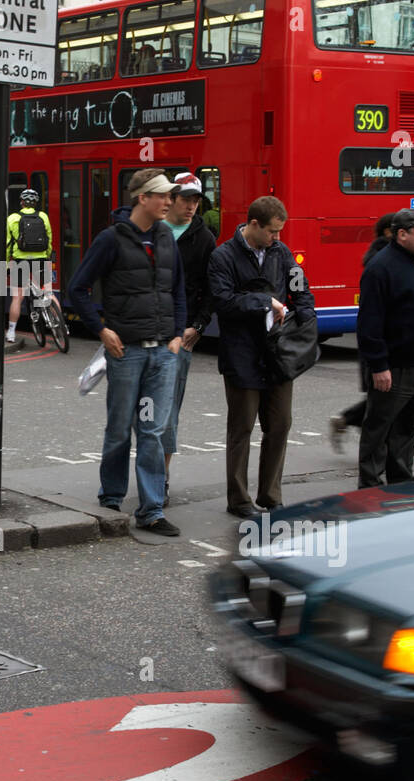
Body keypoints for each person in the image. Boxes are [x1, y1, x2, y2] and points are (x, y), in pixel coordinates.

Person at [68, 169, 186, 538]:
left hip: (163, 355)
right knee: (119, 430)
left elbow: (179, 290)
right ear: (142, 198)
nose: (169, 202)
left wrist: (178, 336)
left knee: (152, 432)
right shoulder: (111, 240)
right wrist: (102, 331)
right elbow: (78, 288)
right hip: (127, 354)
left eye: (170, 196)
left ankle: (151, 510)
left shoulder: (167, 237)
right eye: (163, 196)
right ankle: (111, 499)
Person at [207, 195, 315, 520]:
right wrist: (266, 301)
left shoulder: (280, 254)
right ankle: (239, 500)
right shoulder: (223, 256)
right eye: (272, 231)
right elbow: (224, 302)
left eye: (280, 231)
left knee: (280, 424)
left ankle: (270, 496)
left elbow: (301, 289)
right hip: (241, 353)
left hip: (277, 353)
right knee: (241, 428)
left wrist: (305, 319)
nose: (278, 238)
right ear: (253, 225)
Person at [356, 208, 414, 489]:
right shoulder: (381, 268)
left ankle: (401, 484)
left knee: (407, 429)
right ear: (402, 234)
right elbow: (370, 323)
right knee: (379, 430)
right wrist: (379, 365)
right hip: (393, 367)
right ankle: (370, 488)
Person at [161, 173, 217, 502]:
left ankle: (161, 477)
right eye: (186, 199)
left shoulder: (204, 238)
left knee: (168, 411)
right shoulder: (152, 230)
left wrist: (199, 324)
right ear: (171, 198)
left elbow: (211, 289)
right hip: (145, 332)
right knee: (137, 410)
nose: (192, 206)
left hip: (181, 334)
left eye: (197, 200)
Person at [330, 212, 395, 450]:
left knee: (383, 400)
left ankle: (348, 421)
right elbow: (373, 315)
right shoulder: (381, 262)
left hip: (387, 346)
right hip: (383, 345)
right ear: (389, 232)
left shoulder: (389, 257)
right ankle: (372, 452)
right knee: (382, 401)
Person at [6, 188, 52, 345]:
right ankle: (58, 322)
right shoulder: (43, 216)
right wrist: (47, 255)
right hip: (41, 259)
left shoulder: (13, 218)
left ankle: (11, 331)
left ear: (21, 202)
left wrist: (6, 263)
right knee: (48, 292)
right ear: (36, 203)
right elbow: (49, 239)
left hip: (21, 260)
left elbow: (7, 244)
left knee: (17, 297)